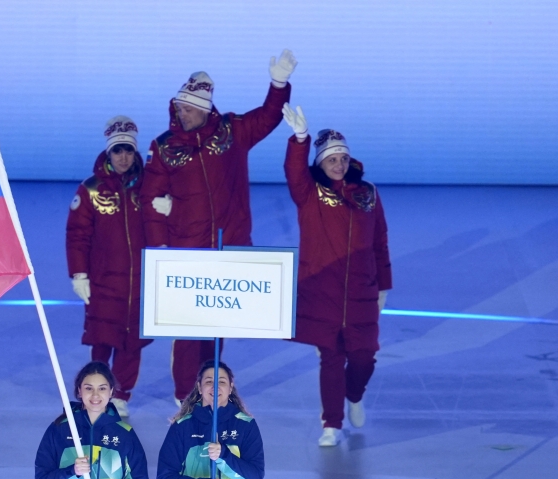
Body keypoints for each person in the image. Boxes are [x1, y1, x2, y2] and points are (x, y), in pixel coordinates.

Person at [141, 51, 297, 403]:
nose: (184, 113)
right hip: (186, 251)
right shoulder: (164, 147)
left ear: (206, 109)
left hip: (230, 249)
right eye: (180, 107)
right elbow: (150, 198)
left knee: (215, 330)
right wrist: (159, 247)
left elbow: (268, 116)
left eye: (190, 108)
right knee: (186, 331)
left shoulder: (232, 132)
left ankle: (208, 393)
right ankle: (184, 397)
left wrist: (278, 85)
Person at [282, 104, 393, 446]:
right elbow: (293, 171)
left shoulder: (368, 194)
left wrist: (384, 285)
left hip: (361, 289)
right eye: (332, 159)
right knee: (331, 357)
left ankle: (355, 395)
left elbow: (380, 241)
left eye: (343, 158)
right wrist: (300, 138)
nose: (339, 164)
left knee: (364, 355)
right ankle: (331, 423)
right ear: (320, 162)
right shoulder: (309, 193)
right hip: (322, 290)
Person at [66, 117, 153, 419]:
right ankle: (95, 391)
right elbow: (77, 235)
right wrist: (79, 273)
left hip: (140, 282)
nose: (123, 157)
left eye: (128, 150)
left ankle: (122, 394)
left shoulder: (148, 185)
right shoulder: (90, 190)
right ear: (108, 153)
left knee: (132, 343)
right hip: (104, 282)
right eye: (117, 151)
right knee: (102, 340)